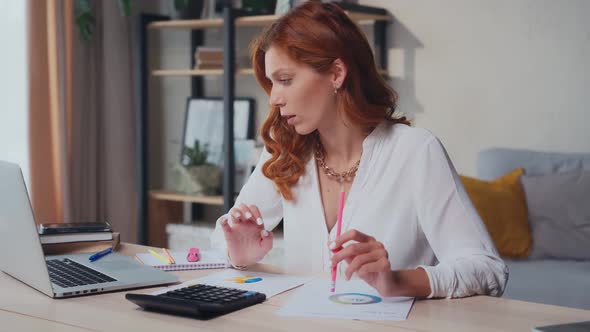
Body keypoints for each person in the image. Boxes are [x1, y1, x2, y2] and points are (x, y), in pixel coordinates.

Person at [211, 1, 507, 299]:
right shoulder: (285, 150)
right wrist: (238, 253)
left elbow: (486, 269)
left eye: (285, 80)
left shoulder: (415, 152)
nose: (274, 98)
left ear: (336, 73)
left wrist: (397, 281)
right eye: (271, 83)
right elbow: (221, 242)